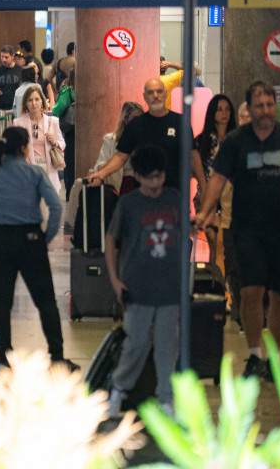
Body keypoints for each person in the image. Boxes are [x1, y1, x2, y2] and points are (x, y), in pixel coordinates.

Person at [194, 80, 280, 379]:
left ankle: (275, 358)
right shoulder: (236, 142)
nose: (265, 110)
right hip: (248, 230)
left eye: (269, 105)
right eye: (259, 105)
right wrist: (205, 211)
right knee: (251, 291)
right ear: (250, 109)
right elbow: (218, 178)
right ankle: (254, 355)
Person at [0, 127, 77, 371]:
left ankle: (4, 355)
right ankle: (57, 356)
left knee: (1, 302)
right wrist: (46, 236)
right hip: (31, 239)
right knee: (45, 300)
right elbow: (55, 206)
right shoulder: (35, 173)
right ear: (24, 148)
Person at [104, 145, 181, 416]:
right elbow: (111, 239)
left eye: (159, 176)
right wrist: (115, 280)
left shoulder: (174, 199)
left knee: (167, 345)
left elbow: (184, 234)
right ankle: (118, 390)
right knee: (135, 343)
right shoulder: (129, 204)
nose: (155, 183)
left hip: (170, 287)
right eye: (149, 177)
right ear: (137, 176)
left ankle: (166, 399)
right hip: (137, 287)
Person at [88, 77, 195, 192]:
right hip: (142, 191)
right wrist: (101, 174)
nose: (155, 95)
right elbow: (120, 157)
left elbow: (193, 155)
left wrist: (203, 186)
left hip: (174, 191)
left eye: (159, 91)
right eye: (150, 92)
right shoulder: (135, 126)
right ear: (144, 96)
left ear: (165, 94)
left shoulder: (180, 122)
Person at [192, 94, 237, 262]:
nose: (224, 113)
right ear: (212, 113)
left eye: (227, 109)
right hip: (207, 196)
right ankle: (218, 277)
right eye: (219, 110)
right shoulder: (201, 141)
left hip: (231, 198)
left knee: (225, 246)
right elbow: (193, 169)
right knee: (215, 243)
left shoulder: (237, 140)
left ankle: (219, 275)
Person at [220, 101, 251, 328]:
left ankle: (252, 314)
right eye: (246, 117)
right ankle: (240, 314)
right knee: (235, 267)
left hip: (259, 221)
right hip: (231, 218)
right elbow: (217, 181)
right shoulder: (230, 146)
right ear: (240, 120)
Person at [14, 85, 65, 194]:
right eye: (30, 100)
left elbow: (62, 143)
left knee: (47, 202)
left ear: (42, 101)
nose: (34, 103)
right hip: (28, 169)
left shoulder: (52, 121)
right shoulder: (18, 123)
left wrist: (54, 142)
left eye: (37, 99)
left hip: (48, 168)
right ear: (25, 103)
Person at [93, 101, 143, 194]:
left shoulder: (146, 141)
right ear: (125, 119)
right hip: (119, 186)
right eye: (135, 118)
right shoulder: (110, 140)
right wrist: (103, 167)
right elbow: (100, 163)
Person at [52, 68, 77, 199]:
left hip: (71, 132)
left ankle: (70, 193)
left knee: (70, 162)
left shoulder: (68, 91)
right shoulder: (90, 89)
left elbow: (56, 110)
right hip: (86, 132)